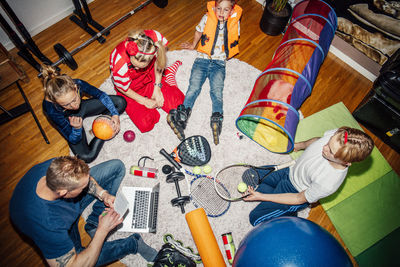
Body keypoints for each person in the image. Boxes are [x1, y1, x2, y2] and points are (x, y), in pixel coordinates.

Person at [9, 156, 158, 266]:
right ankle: (133, 244)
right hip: (62, 224)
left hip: (67, 206)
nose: (87, 188)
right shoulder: (48, 226)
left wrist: (103, 194)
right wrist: (102, 231)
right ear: (63, 192)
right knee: (85, 258)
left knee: (117, 166)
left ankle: (93, 222)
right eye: (83, 188)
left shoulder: (56, 167)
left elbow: (88, 181)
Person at [244, 127, 374, 226]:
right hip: (289, 171)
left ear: (346, 162)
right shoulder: (340, 136)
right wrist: (299, 145)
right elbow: (317, 140)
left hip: (295, 191)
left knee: (255, 218)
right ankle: (277, 198)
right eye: (329, 142)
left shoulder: (328, 182)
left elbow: (298, 197)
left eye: (331, 151)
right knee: (249, 176)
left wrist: (261, 197)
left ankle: (289, 213)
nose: (324, 147)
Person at [167, 0, 242, 144]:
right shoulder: (207, 17)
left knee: (217, 92)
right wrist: (193, 44)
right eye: (218, 9)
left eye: (226, 10)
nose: (221, 13)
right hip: (202, 60)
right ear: (214, 7)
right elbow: (199, 31)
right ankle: (182, 118)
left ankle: (216, 118)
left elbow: (234, 37)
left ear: (232, 11)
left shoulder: (234, 23)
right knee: (193, 88)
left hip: (219, 63)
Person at [41, 65, 127, 163]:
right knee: (87, 157)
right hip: (70, 120)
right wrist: (77, 129)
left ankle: (103, 122)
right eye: (66, 104)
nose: (73, 106)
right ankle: (99, 131)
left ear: (75, 87)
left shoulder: (78, 83)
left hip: (83, 107)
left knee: (120, 102)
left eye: (74, 99)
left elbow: (101, 95)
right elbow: (73, 139)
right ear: (56, 102)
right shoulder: (51, 109)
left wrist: (115, 114)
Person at [110, 29, 184, 133]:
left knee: (179, 103)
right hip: (130, 89)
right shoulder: (119, 62)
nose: (136, 69)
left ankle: (169, 76)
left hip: (150, 76)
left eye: (141, 66)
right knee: (146, 124)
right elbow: (122, 88)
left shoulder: (156, 38)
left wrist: (157, 87)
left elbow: (160, 60)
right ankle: (168, 77)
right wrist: (144, 101)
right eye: (134, 65)